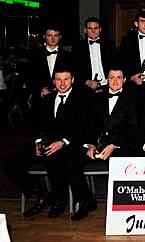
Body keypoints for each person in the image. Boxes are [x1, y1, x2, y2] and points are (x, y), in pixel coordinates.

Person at [6, 68, 91, 218]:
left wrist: (63, 142)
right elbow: (38, 125)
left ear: (72, 80)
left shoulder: (82, 99)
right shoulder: (47, 99)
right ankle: (40, 193)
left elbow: (83, 128)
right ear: (53, 82)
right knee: (12, 163)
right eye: (58, 79)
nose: (62, 83)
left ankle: (59, 200)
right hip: (47, 144)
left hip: (70, 144)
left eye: (66, 79)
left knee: (54, 159)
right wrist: (39, 142)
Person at [67, 68, 137, 220]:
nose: (115, 81)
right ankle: (86, 201)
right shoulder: (98, 97)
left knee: (121, 165)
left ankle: (123, 208)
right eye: (112, 78)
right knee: (72, 164)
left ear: (124, 79)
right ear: (107, 79)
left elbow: (133, 127)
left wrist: (113, 145)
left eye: (119, 77)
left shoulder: (132, 97)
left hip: (121, 145)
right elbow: (90, 124)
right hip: (98, 144)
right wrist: (91, 144)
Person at [26, 24, 71, 101]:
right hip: (40, 98)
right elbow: (29, 77)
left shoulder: (68, 56)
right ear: (44, 36)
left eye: (56, 36)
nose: (53, 39)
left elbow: (71, 77)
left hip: (62, 97)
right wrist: (39, 90)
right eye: (49, 35)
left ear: (60, 37)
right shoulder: (34, 55)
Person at [71, 17, 118, 91]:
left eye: (96, 28)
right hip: (86, 87)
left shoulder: (110, 45)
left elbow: (116, 65)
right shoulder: (78, 47)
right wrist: (86, 82)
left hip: (108, 86)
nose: (93, 31)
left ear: (100, 29)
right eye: (90, 28)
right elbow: (73, 69)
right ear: (85, 30)